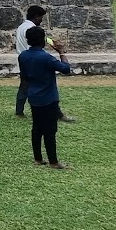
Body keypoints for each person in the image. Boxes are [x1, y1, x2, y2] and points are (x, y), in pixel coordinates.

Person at [17, 27, 73, 169]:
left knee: (37, 128)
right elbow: (66, 69)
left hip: (33, 96)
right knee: (50, 130)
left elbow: (24, 76)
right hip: (48, 98)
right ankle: (53, 161)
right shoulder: (46, 58)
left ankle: (38, 158)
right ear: (43, 40)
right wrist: (61, 52)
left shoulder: (23, 56)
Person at [15, 5, 75, 122]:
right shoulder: (32, 29)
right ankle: (58, 114)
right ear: (36, 16)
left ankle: (19, 111)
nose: (41, 20)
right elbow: (40, 38)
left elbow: (43, 38)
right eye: (41, 18)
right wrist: (59, 49)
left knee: (24, 86)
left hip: (24, 60)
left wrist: (51, 42)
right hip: (35, 61)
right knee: (47, 88)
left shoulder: (21, 27)